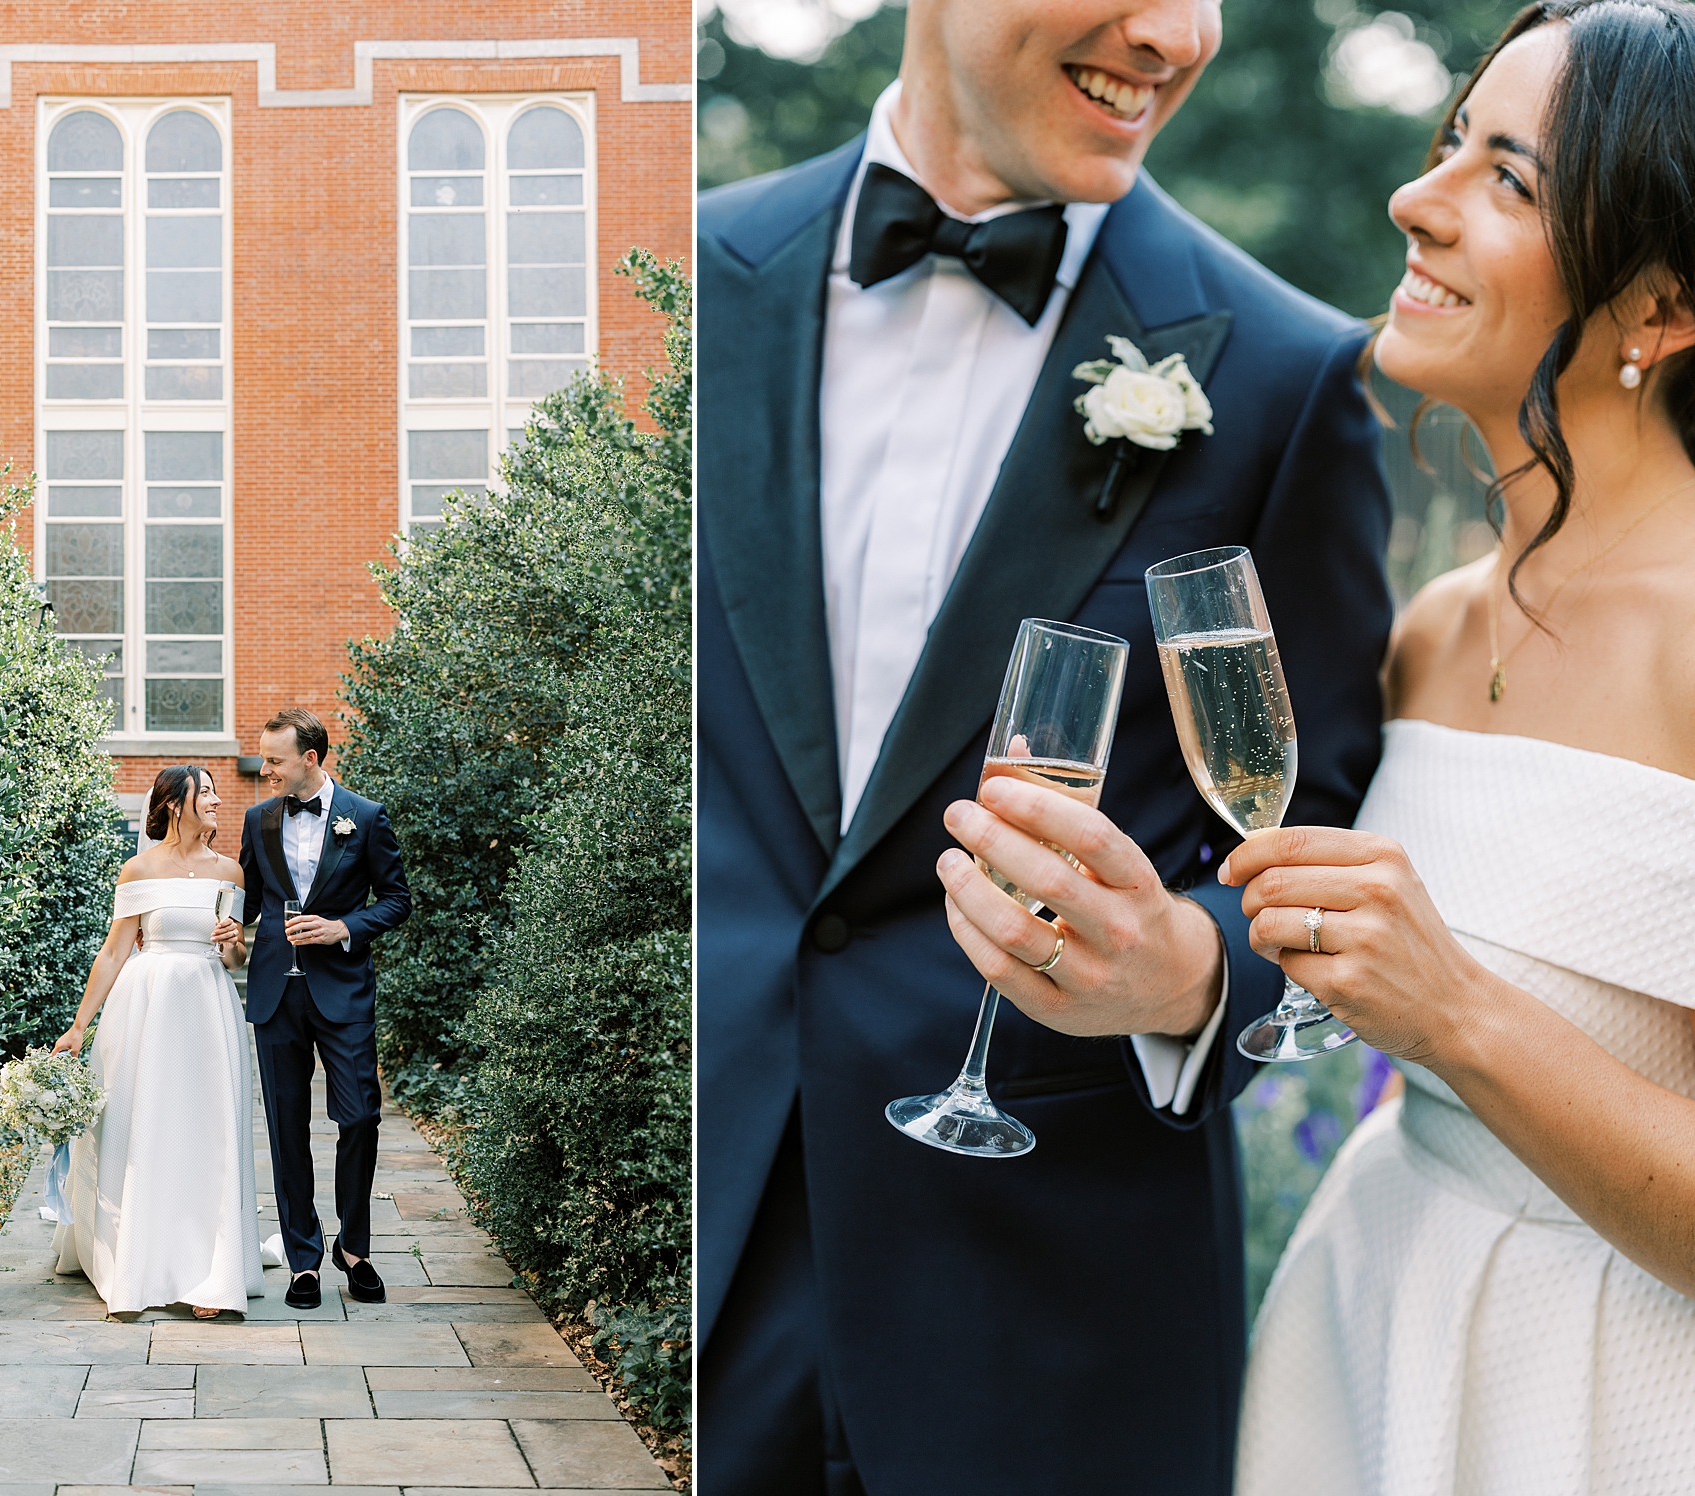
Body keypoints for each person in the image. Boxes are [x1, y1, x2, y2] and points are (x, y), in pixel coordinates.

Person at [695, 0, 1394, 1489]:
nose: (1174, 33)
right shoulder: (678, 276)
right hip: (677, 1257)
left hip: (1054, 1319)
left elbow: (1320, 829)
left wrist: (1195, 969)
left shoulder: (1283, 371)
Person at [1229, 4, 1695, 1490]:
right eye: (1449, 146)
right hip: (1371, 1323)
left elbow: (1444, 1009)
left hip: (1601, 1398)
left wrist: (1456, 1018)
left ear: (1664, 307)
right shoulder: (1433, 625)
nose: (1413, 201)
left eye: (1509, 179)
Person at [52, 765, 260, 1319]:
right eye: (206, 793)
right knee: (142, 1129)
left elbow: (233, 959)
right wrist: (78, 1026)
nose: (217, 800)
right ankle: (136, 1262)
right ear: (174, 804)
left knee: (207, 1132)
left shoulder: (230, 871)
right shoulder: (138, 869)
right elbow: (116, 951)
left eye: (216, 791)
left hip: (208, 1010)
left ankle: (210, 1274)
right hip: (145, 1012)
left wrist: (235, 943)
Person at [240, 707, 411, 1311]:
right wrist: (226, 932)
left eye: (276, 760)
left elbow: (396, 901)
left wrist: (341, 926)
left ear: (310, 760)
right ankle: (304, 1260)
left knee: (360, 1115)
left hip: (342, 992)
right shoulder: (258, 820)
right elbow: (247, 903)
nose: (266, 771)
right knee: (287, 1131)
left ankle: (354, 1248)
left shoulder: (365, 818)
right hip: (274, 995)